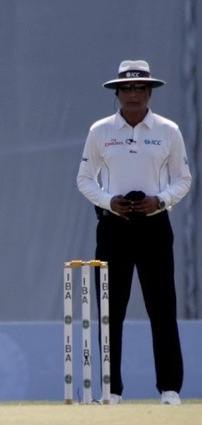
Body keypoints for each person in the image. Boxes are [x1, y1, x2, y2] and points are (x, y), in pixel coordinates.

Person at [77, 60, 192, 405]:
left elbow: (183, 179)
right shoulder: (100, 131)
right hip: (114, 226)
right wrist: (109, 202)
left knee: (162, 309)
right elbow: (84, 179)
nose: (133, 94)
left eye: (140, 87)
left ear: (149, 91)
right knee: (111, 311)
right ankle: (111, 391)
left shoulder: (167, 130)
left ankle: (170, 389)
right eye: (126, 88)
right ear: (117, 92)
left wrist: (161, 200)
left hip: (155, 226)